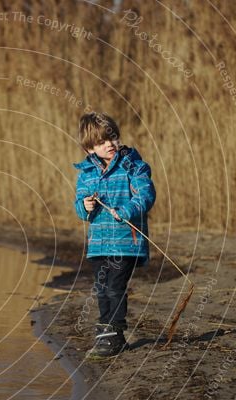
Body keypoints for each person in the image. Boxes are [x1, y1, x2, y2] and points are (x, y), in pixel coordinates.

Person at [73, 112, 156, 357]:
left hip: (126, 242)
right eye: (100, 142)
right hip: (99, 244)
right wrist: (85, 207)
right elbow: (79, 206)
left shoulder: (134, 166)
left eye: (112, 138)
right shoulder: (87, 174)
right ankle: (106, 334)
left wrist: (127, 210)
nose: (109, 144)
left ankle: (114, 336)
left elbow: (146, 196)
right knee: (102, 287)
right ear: (90, 148)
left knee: (114, 286)